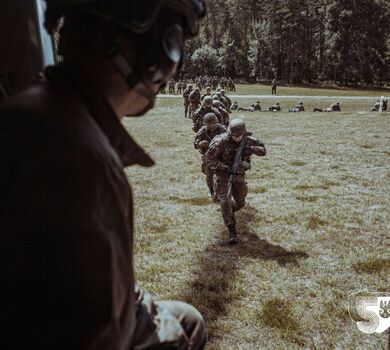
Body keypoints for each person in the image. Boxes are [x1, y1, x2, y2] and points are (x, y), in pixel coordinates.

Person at [0, 1, 206, 349]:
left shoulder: (23, 110)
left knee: (187, 316)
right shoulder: (86, 164)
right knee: (188, 328)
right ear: (160, 53)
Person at [206, 119, 266, 244]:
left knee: (240, 202)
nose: (237, 138)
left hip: (239, 174)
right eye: (234, 136)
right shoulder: (220, 142)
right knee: (225, 198)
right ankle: (232, 230)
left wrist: (250, 149)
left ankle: (228, 212)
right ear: (229, 133)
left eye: (240, 136)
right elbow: (209, 159)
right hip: (223, 175)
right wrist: (224, 168)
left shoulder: (247, 140)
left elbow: (263, 150)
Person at [194, 113, 226, 198]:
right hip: (208, 156)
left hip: (221, 156)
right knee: (209, 175)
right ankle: (211, 191)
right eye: (209, 125)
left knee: (222, 174)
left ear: (217, 123)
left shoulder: (222, 129)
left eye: (213, 124)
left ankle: (221, 192)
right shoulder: (202, 131)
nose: (211, 127)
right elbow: (195, 145)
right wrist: (201, 144)